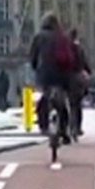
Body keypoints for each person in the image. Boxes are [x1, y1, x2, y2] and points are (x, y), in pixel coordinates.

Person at [27, 13, 81, 144]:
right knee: (63, 102)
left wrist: (36, 68)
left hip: (45, 74)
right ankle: (64, 130)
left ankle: (43, 125)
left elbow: (32, 57)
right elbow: (71, 57)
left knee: (44, 98)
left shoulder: (39, 37)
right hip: (62, 74)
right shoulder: (62, 36)